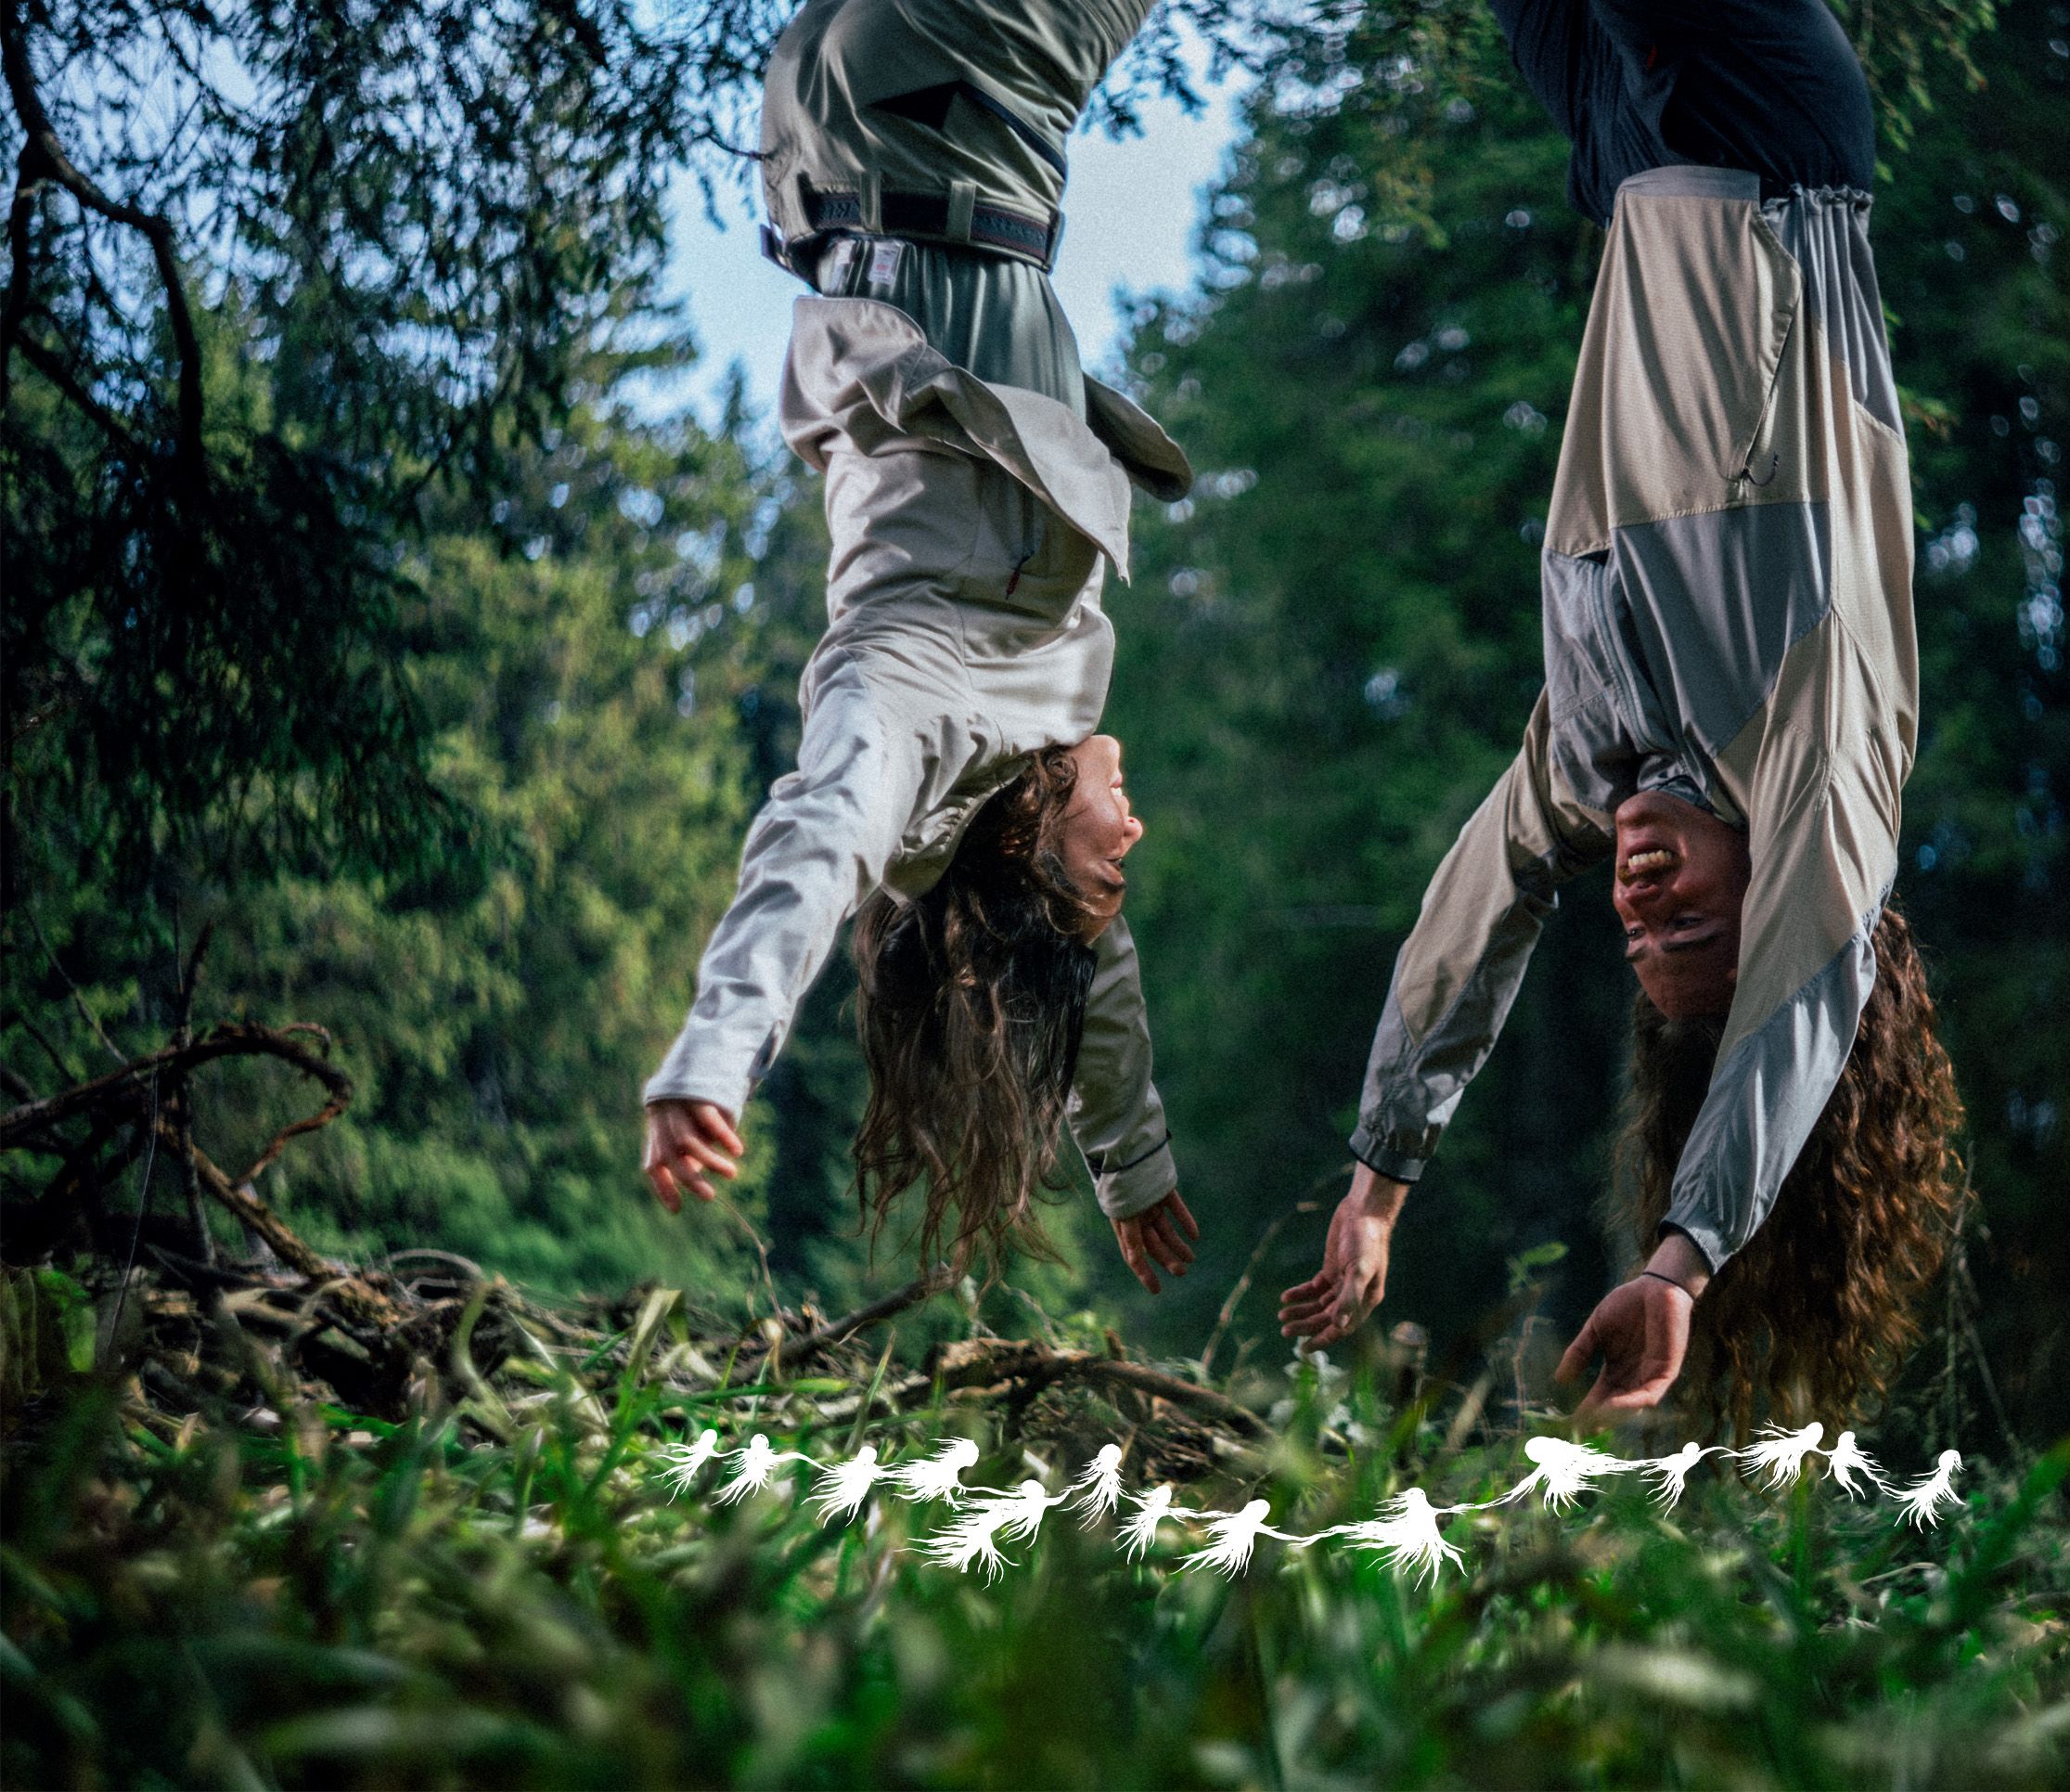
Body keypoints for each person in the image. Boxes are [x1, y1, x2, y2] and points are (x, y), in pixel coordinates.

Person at [1279, 0, 1966, 1426]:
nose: (1641, 895)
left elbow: (1465, 932)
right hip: (1766, 134)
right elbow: (1808, 992)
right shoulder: (1818, 741)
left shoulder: (1588, 766)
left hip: (1627, 155)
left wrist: (1377, 1184)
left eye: (1639, 933)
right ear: (1772, 882)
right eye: (1695, 924)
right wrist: (1686, 1256)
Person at [639, 0, 1202, 1296]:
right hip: (877, 140)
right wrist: (1132, 1163)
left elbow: (817, 840)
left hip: (928, 114)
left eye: (1104, 870)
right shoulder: (1029, 745)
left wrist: (714, 1055)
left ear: (1028, 848)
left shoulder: (920, 709)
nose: (1133, 842)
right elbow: (1092, 983)